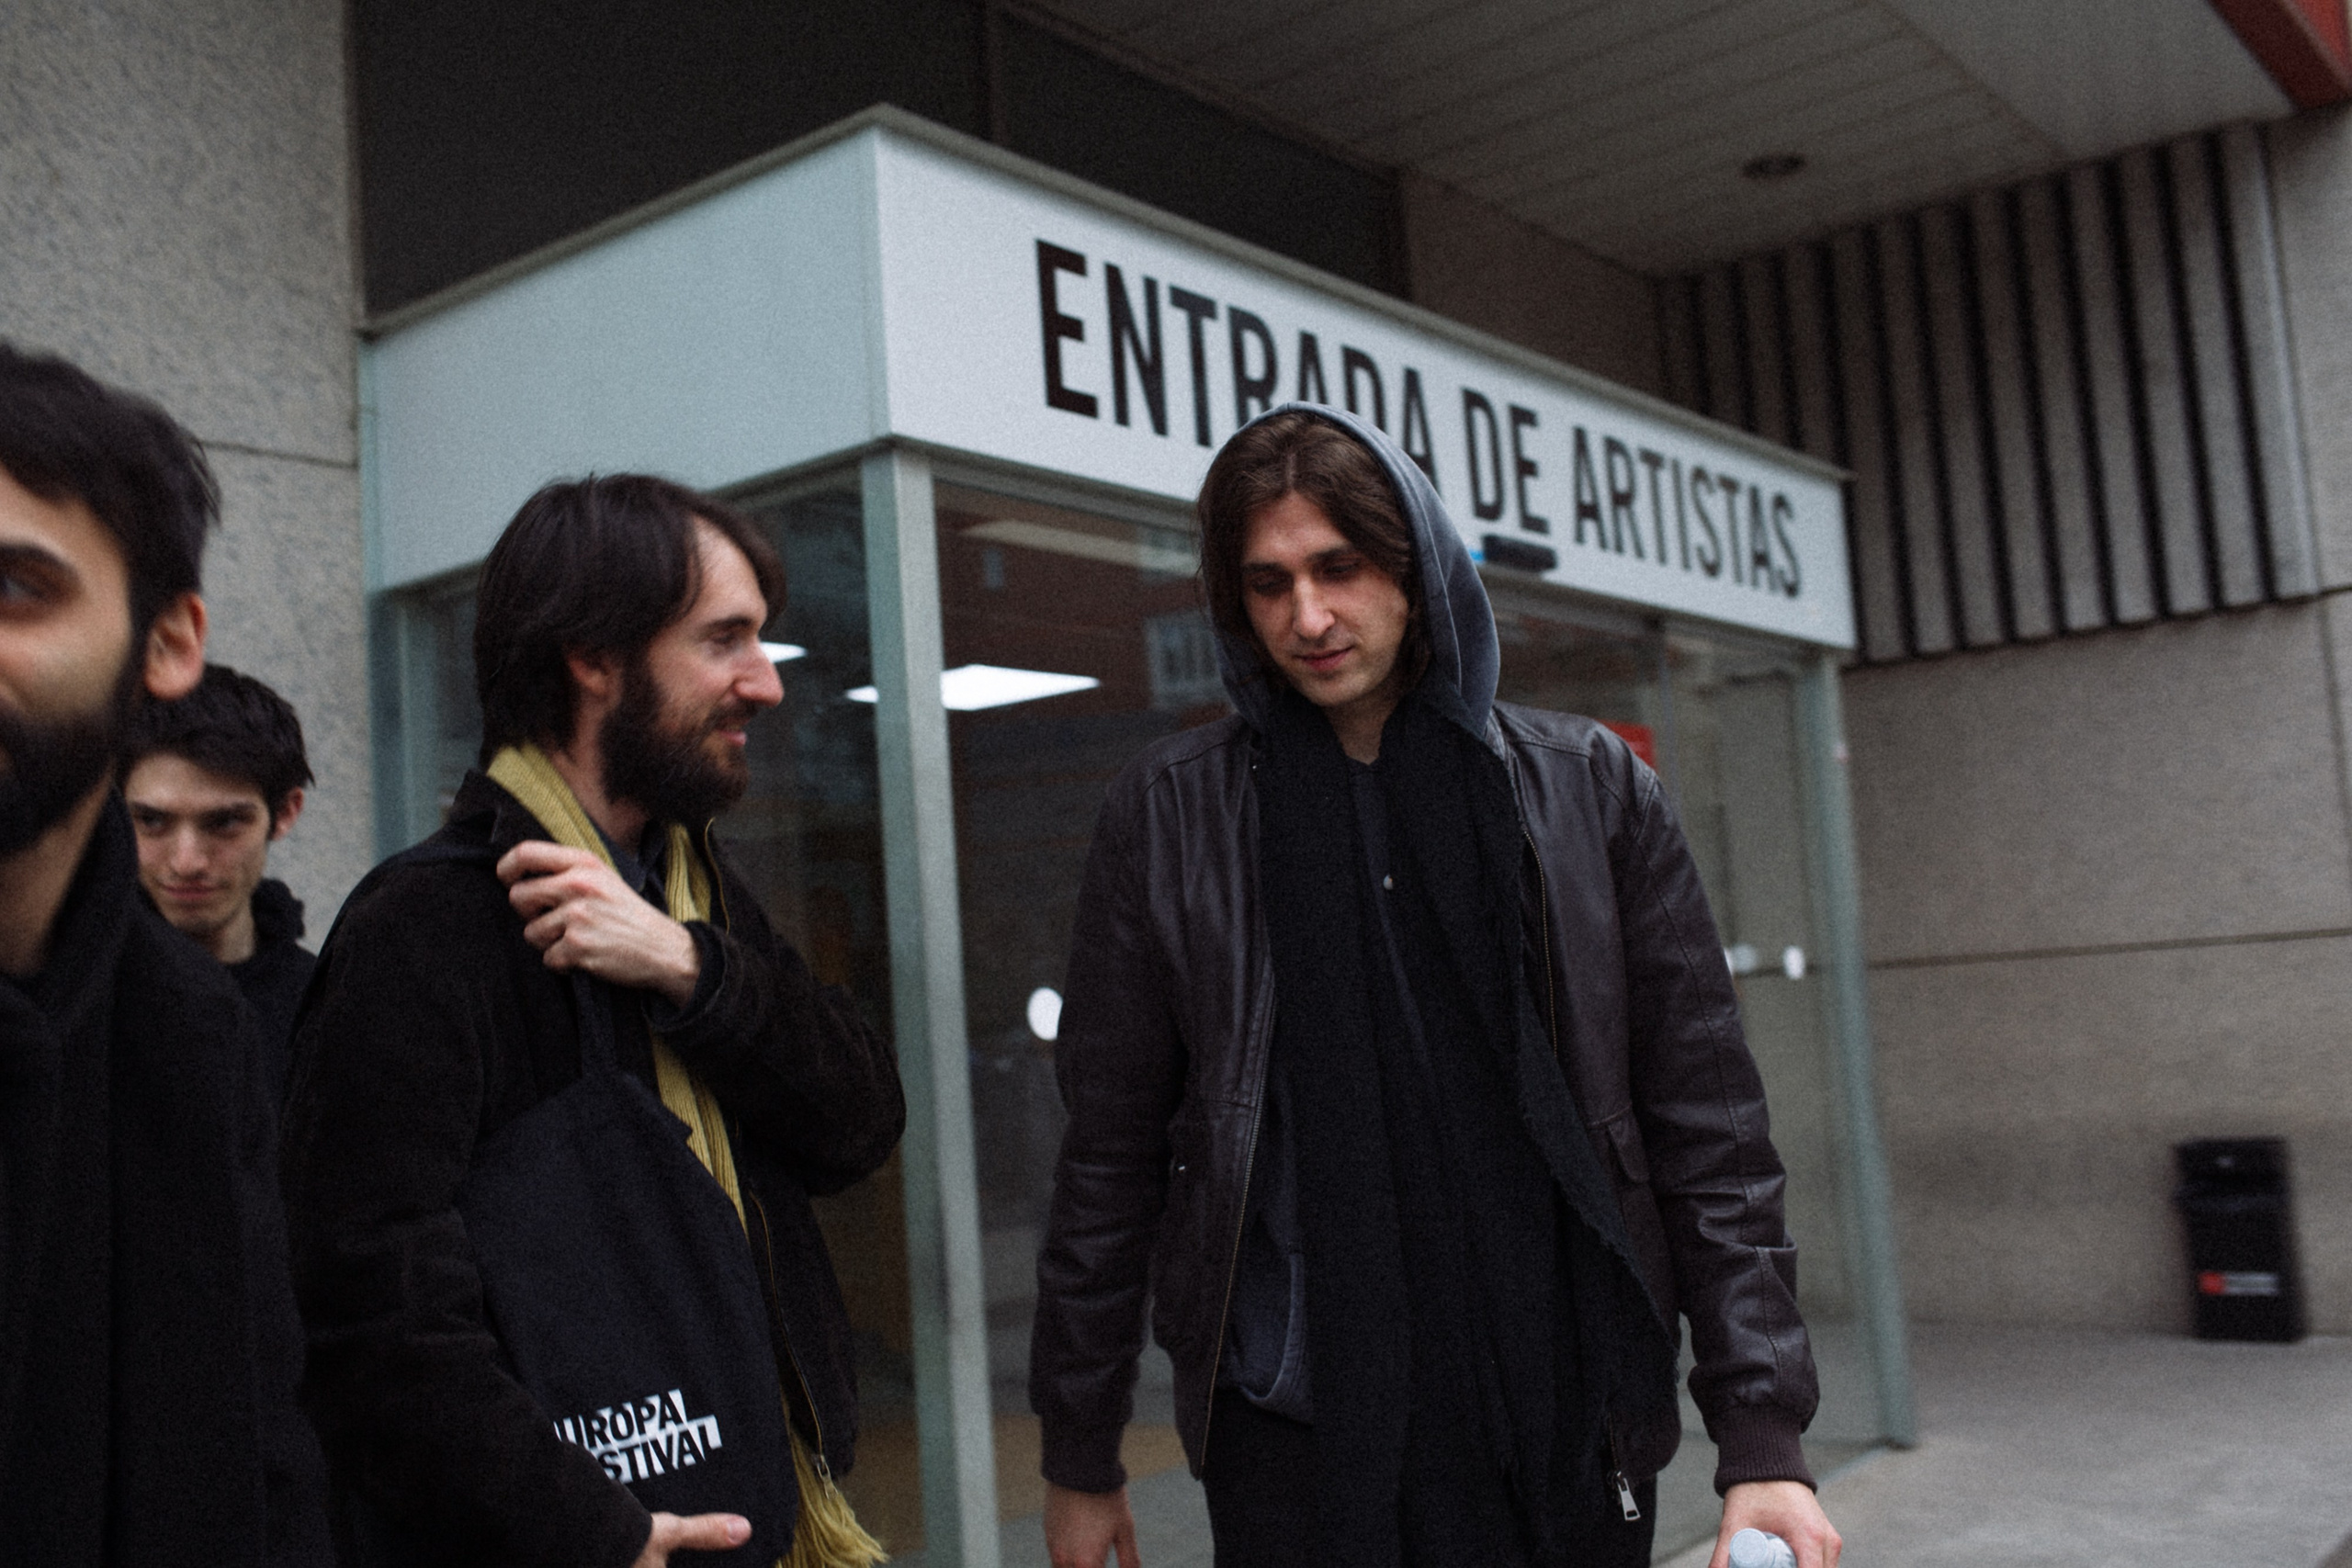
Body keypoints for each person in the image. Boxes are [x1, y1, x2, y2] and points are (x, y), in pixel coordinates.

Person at [1030, 406, 1841, 1568]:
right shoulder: (1171, 815)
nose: (1308, 618)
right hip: (1296, 1438)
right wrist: (1080, 1450)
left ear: (1414, 570)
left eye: (1339, 569)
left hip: (1563, 1424)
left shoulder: (1589, 791)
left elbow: (1709, 1135)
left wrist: (1761, 1434)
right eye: (1268, 584)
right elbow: (1108, 1162)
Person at [281, 474, 905, 1568]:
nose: (766, 682)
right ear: (594, 657)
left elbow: (856, 1122)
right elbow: (373, 1318)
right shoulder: (423, 926)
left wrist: (686, 968)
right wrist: (589, 1531)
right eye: (724, 640)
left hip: (752, 1501)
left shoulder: (693, 894)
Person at [0, 342, 330, 1564]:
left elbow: (260, 1448)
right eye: (161, 823)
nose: (189, 857)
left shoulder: (190, 1036)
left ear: (167, 640)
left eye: (16, 586)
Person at [124, 662, 316, 1090]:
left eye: (224, 822)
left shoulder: (329, 1013)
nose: (187, 862)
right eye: (152, 821)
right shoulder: (64, 1003)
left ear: (285, 812)